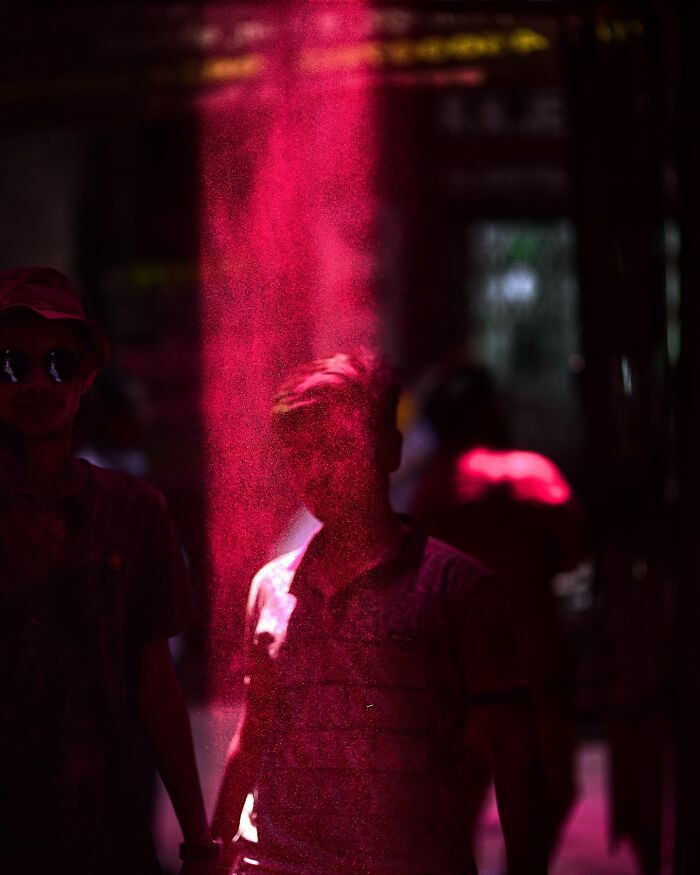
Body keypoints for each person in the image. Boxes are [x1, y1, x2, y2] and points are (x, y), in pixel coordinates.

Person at [212, 352, 547, 875]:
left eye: (341, 446)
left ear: (389, 450)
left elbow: (514, 751)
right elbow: (253, 734)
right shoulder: (271, 587)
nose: (320, 470)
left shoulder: (457, 589)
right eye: (302, 453)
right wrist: (211, 852)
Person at [0, 267, 220, 874]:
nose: (38, 382)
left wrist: (199, 841)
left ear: (87, 374)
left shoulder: (133, 510)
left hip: (106, 832)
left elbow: (155, 682)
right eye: (12, 364)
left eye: (58, 363)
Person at [412, 363, 584, 859]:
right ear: (491, 410)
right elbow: (574, 546)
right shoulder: (528, 475)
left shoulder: (429, 491)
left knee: (452, 823)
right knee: (540, 806)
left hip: (451, 689)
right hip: (529, 680)